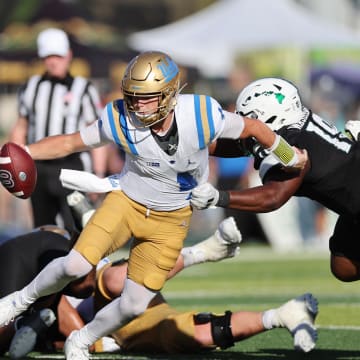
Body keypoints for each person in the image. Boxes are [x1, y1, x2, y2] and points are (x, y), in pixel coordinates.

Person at [0, 52, 307, 360]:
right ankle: (17, 301)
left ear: (171, 93)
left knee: (133, 304)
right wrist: (24, 150)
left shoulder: (202, 114)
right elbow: (70, 142)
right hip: (127, 204)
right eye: (133, 97)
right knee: (75, 265)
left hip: (171, 218)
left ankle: (81, 340)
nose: (138, 105)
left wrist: (288, 155)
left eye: (147, 98)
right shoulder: (119, 117)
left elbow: (253, 127)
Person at [2, 198, 243, 358]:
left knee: (104, 282)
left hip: (93, 282)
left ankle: (199, 253)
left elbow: (62, 307)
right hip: (79, 288)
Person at [191, 77, 360, 286]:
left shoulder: (293, 143)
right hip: (351, 205)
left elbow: (273, 197)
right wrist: (191, 143)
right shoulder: (292, 124)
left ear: (266, 116)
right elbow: (241, 146)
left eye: (248, 119)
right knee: (344, 266)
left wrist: (219, 197)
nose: (243, 125)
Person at [9, 27, 105, 231]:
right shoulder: (30, 87)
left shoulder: (84, 89)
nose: (53, 61)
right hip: (39, 168)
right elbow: (21, 127)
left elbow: (98, 134)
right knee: (44, 229)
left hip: (74, 166)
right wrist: (14, 162)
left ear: (68, 55)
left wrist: (98, 174)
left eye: (58, 56)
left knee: (79, 227)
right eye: (48, 56)